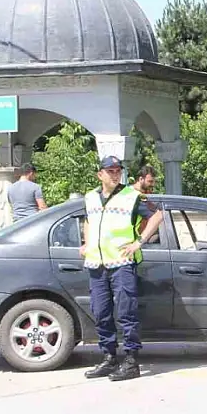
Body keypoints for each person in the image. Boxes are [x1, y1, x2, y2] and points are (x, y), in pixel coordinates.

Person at [80, 156, 163, 382]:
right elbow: (88, 220)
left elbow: (158, 215)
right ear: (100, 174)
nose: (115, 174)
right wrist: (87, 242)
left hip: (122, 264)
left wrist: (139, 242)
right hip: (97, 264)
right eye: (110, 171)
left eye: (118, 171)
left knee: (126, 313)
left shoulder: (132, 196)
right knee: (101, 312)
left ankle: (131, 361)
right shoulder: (90, 197)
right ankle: (109, 357)